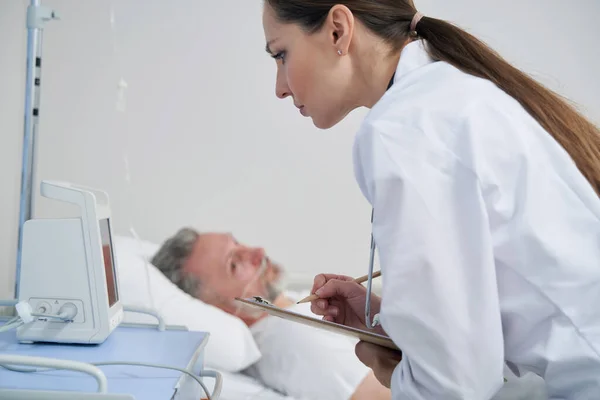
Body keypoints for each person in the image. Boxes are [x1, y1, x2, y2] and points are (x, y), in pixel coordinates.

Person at [261, 1, 600, 399]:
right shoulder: (450, 95)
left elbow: (453, 386)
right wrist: (396, 327)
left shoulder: (403, 127)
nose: (280, 87)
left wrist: (396, 374)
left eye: (281, 54)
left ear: (338, 29)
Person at [150, 227, 392, 400]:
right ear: (212, 306)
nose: (257, 251)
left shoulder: (289, 314)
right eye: (234, 264)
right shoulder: (291, 335)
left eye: (238, 244)